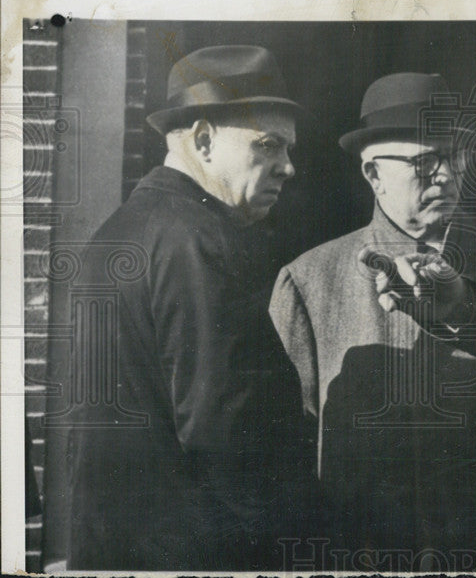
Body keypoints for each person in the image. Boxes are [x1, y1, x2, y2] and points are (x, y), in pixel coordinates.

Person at [269, 72, 476, 571]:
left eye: (454, 157)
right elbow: (288, 448)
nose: (445, 175)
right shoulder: (311, 282)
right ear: (373, 175)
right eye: (423, 162)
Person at [66, 45, 313, 570]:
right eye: (268, 146)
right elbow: (225, 431)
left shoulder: (115, 233)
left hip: (112, 547)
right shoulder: (200, 239)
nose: (287, 168)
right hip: (195, 551)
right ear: (203, 140)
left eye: (288, 150)